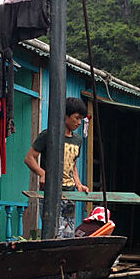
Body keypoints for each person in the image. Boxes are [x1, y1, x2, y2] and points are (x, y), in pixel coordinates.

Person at [24, 97, 89, 238]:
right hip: (50, 193)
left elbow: (73, 164)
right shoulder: (48, 135)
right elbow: (29, 158)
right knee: (54, 234)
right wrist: (43, 173)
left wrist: (78, 184)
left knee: (68, 235)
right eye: (76, 118)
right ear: (65, 115)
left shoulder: (77, 140)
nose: (79, 122)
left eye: (81, 119)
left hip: (70, 194)